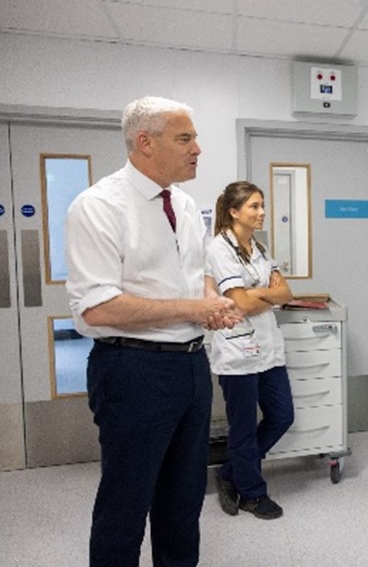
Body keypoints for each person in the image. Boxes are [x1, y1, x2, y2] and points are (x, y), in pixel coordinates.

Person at [65, 96, 242, 566]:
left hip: (191, 367)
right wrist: (193, 307)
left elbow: (197, 269)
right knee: (126, 505)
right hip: (133, 370)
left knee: (184, 504)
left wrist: (210, 304)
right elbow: (98, 308)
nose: (198, 149)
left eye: (195, 138)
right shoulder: (98, 206)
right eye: (185, 138)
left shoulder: (183, 205)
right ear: (145, 143)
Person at [207, 181, 295, 520]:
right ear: (233, 211)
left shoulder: (258, 247)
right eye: (254, 206)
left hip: (268, 349)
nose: (261, 213)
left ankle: (231, 473)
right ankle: (253, 494)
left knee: (282, 416)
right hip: (237, 351)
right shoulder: (219, 248)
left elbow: (285, 293)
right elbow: (239, 302)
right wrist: (261, 294)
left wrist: (255, 294)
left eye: (262, 206)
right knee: (242, 428)